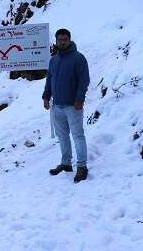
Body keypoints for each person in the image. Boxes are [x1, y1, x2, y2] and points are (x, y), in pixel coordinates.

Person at [42, 28, 90, 183]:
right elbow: (50, 79)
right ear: (56, 42)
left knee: (77, 135)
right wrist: (46, 96)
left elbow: (84, 81)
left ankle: (82, 166)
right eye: (59, 40)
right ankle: (66, 163)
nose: (62, 42)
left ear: (69, 40)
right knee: (62, 136)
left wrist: (79, 99)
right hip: (57, 105)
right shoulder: (54, 60)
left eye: (65, 39)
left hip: (73, 105)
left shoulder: (78, 58)